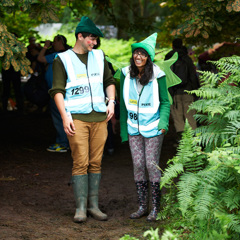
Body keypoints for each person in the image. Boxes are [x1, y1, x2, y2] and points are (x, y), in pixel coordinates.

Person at [49, 16, 115, 223]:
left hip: (100, 118)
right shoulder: (63, 59)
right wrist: (64, 116)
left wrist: (111, 101)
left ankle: (93, 206)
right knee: (80, 162)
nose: (94, 43)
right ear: (80, 36)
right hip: (76, 117)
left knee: (96, 162)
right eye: (92, 39)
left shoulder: (99, 56)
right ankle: (80, 208)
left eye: (95, 40)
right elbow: (57, 91)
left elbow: (109, 81)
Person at [120, 33, 170, 221]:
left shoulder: (158, 75)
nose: (138, 56)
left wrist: (163, 123)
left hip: (154, 127)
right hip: (133, 127)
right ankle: (142, 206)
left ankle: (156, 207)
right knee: (138, 165)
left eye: (143, 54)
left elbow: (165, 102)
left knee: (151, 164)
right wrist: (124, 129)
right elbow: (124, 105)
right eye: (136, 53)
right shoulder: (126, 74)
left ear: (149, 57)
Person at [37, 35, 70, 152]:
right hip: (60, 91)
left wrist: (46, 46)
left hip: (58, 92)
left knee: (59, 117)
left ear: (60, 42)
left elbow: (40, 58)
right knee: (63, 116)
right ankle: (66, 142)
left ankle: (63, 143)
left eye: (55, 41)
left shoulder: (58, 55)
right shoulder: (66, 54)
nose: (53, 44)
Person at [165, 38, 199, 145]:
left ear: (172, 46)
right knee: (190, 116)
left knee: (178, 117)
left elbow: (166, 77)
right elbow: (192, 76)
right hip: (187, 90)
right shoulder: (186, 58)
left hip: (174, 92)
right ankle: (193, 141)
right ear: (182, 45)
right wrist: (195, 92)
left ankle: (181, 141)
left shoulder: (168, 57)